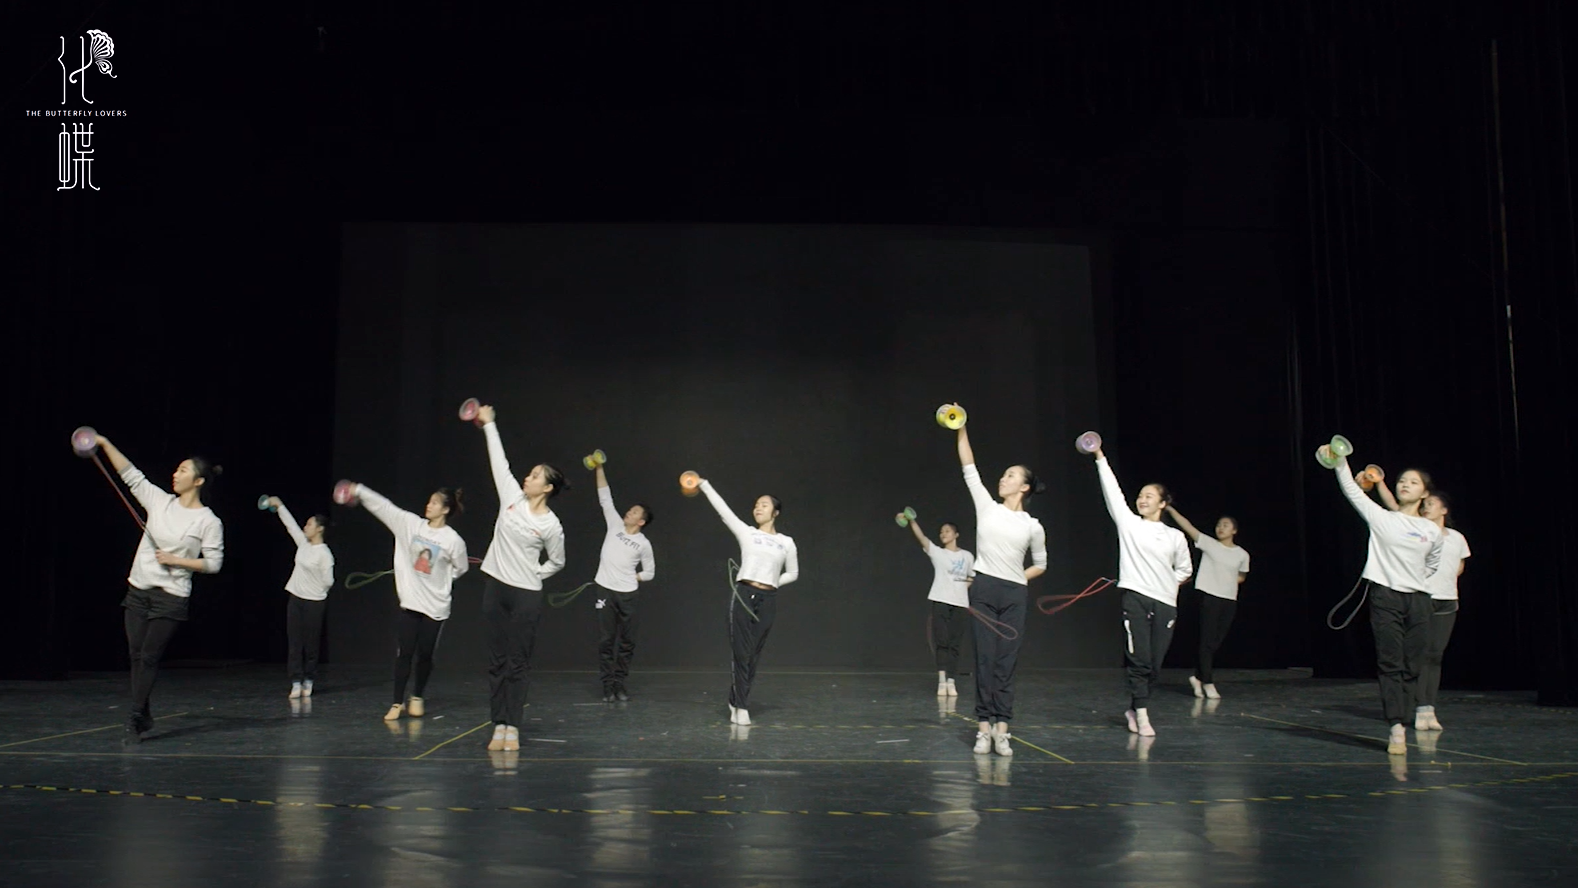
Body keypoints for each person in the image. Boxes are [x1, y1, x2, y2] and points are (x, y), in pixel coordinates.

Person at [92, 435, 225, 747]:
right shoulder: (160, 501)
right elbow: (130, 475)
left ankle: (135, 716)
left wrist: (177, 561)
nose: (175, 474)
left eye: (183, 470)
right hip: (139, 589)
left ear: (198, 481)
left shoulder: (208, 521)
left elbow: (214, 564)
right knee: (136, 654)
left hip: (171, 596)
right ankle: (144, 711)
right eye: (176, 470)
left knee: (149, 657)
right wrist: (105, 443)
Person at [947, 405, 1047, 756]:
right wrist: (961, 427)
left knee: (1006, 663)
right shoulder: (987, 507)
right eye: (1004, 475)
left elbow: (1041, 564)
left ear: (1024, 486)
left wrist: (1018, 578)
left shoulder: (1032, 526)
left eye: (1010, 476)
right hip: (985, 589)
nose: (1002, 479)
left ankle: (1002, 729)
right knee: (985, 661)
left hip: (1014, 594)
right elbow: (969, 466)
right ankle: (983, 728)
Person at [1328, 455, 1443, 754]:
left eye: (1413, 482)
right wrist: (1340, 461)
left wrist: (1414, 579)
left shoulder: (1431, 530)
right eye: (1402, 480)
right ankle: (1396, 727)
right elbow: (1352, 491)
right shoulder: (1382, 518)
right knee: (1390, 662)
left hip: (1419, 600)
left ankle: (1404, 716)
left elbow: (1433, 563)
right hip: (1386, 596)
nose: (1405, 485)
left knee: (1413, 664)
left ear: (1424, 493)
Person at [472, 404, 567, 751]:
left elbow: (557, 561)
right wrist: (489, 424)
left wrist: (534, 573)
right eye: (529, 474)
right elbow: (499, 462)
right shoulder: (511, 498)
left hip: (526, 594)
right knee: (496, 661)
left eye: (535, 476)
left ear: (547, 487)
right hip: (496, 589)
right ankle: (498, 724)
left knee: (518, 662)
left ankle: (513, 725)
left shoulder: (551, 525)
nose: (528, 478)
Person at [339, 482, 469, 721]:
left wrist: (442, 579)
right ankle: (397, 702)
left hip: (436, 606)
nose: (428, 505)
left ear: (445, 510)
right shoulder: (410, 524)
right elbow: (384, 507)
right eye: (429, 501)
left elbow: (461, 568)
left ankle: (417, 695)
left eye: (435, 503)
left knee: (425, 654)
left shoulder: (453, 540)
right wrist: (358, 490)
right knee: (405, 653)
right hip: (411, 603)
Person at [1089, 444, 1192, 737]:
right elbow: (1113, 492)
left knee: (1155, 665)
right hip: (1135, 598)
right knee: (1140, 659)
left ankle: (1135, 708)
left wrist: (1166, 584)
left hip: (1166, 603)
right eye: (1140, 495)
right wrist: (1099, 457)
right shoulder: (1129, 524)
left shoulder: (1175, 536)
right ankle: (1143, 715)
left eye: (1149, 496)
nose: (1142, 499)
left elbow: (1185, 570)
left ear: (1162, 503)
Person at [695, 474, 798, 726]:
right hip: (743, 595)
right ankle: (741, 706)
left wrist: (774, 581)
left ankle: (735, 699)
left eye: (764, 504)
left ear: (775, 512)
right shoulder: (747, 533)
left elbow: (793, 573)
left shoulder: (786, 542)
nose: (758, 508)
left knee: (753, 654)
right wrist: (704, 485)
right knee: (741, 653)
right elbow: (723, 511)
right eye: (756, 505)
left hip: (768, 598)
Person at [1165, 506, 1249, 700]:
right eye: (1219, 525)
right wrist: (1170, 509)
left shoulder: (1242, 555)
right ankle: (1208, 682)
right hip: (1210, 598)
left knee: (1215, 642)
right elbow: (1188, 527)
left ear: (1234, 531)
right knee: (1206, 641)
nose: (1220, 528)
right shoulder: (1209, 544)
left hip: (1229, 600)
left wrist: (1225, 579)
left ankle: (1197, 677)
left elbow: (1241, 577)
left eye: (1225, 525)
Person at [591, 460, 654, 702]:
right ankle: (607, 686)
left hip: (628, 595)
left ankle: (619, 683)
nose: (629, 512)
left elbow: (649, 573)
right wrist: (599, 468)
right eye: (630, 509)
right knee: (606, 640)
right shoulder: (614, 525)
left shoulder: (644, 544)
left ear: (641, 522)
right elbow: (605, 498)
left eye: (635, 512)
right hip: (605, 591)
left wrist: (632, 576)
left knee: (627, 642)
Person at [266, 497, 334, 699]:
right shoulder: (303, 544)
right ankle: (296, 681)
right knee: (295, 642)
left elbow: (329, 581)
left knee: (311, 644)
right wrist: (280, 506)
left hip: (315, 602)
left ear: (320, 529)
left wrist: (316, 590)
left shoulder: (325, 554)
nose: (306, 526)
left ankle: (309, 679)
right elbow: (291, 526)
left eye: (310, 524)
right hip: (296, 599)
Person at [1414, 492, 1470, 731]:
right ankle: (1420, 706)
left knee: (1435, 655)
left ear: (1444, 510)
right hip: (1424, 598)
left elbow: (1460, 566)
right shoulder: (1420, 534)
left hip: (1447, 599)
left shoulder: (1457, 538)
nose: (1426, 508)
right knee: (1421, 654)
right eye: (1424, 505)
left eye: (1431, 504)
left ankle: (1430, 709)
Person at [903, 515, 974, 697]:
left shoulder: (967, 556)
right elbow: (922, 538)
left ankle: (951, 681)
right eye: (941, 532)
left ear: (956, 535)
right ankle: (942, 681)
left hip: (960, 604)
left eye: (947, 531)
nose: (943, 534)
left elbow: (971, 577)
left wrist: (960, 589)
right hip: (940, 600)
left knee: (955, 644)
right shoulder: (938, 553)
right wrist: (912, 521)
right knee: (942, 642)